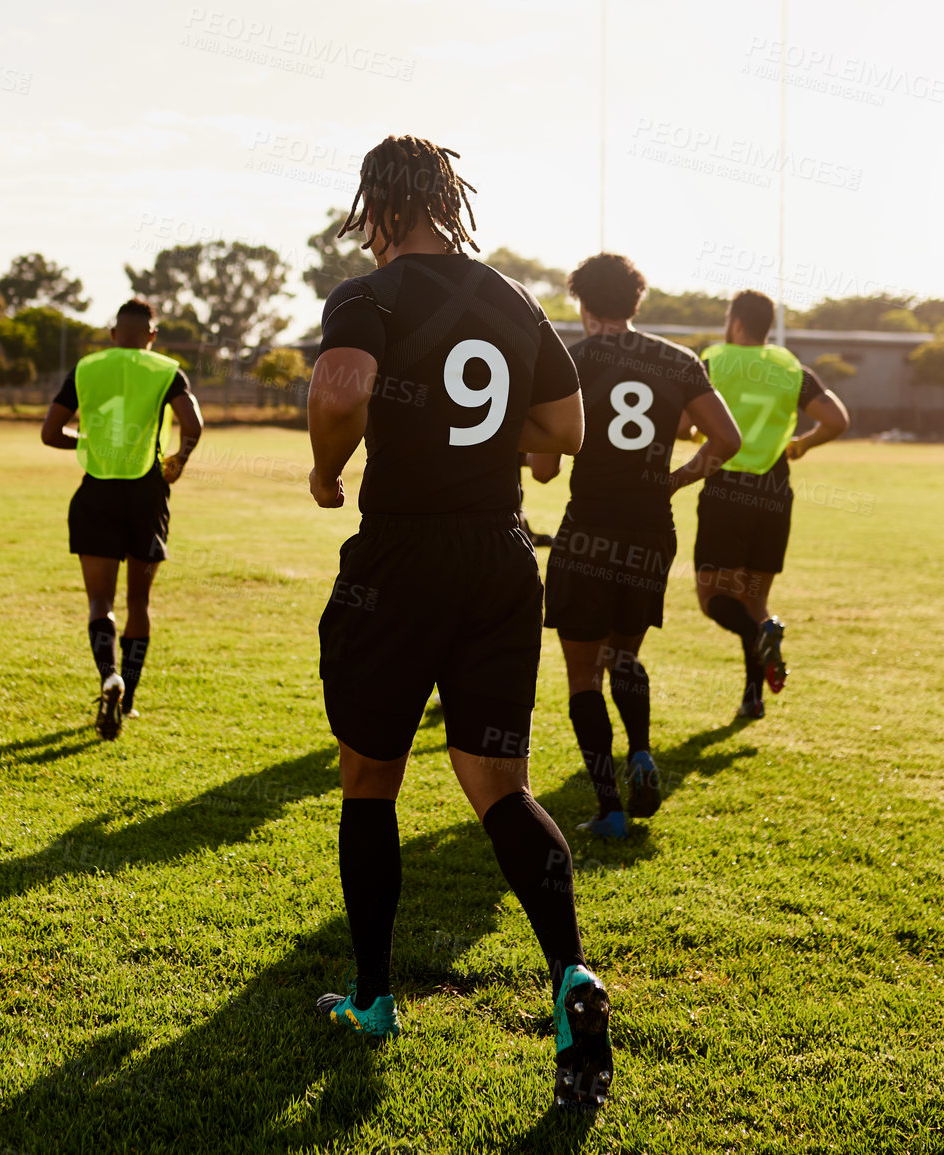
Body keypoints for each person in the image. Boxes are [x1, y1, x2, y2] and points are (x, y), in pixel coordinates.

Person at [304, 134, 611, 1110]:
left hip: (402, 557)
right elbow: (564, 433)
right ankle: (571, 977)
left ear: (376, 209)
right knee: (500, 786)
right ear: (449, 201)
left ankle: (375, 998)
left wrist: (327, 465)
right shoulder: (513, 298)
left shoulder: (372, 293)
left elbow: (343, 390)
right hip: (502, 555)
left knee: (370, 779)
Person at [528, 253, 742, 839]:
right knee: (624, 656)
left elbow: (544, 470)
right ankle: (642, 754)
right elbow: (727, 438)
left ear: (582, 303)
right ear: (636, 302)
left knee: (582, 677)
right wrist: (678, 477)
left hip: (589, 528)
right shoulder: (677, 360)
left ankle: (609, 809)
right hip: (652, 529)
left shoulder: (567, 362)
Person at [40, 298, 201, 740]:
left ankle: (109, 675)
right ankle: (127, 700)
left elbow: (50, 433)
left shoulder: (86, 368)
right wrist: (179, 461)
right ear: (151, 336)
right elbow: (193, 424)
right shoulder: (166, 369)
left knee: (100, 604)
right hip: (147, 495)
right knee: (139, 605)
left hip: (95, 495)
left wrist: (89, 443)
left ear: (113, 334)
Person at [693, 289, 850, 720]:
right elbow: (836, 419)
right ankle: (753, 697)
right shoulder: (790, 367)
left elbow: (686, 421)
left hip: (727, 486)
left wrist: (694, 433)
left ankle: (763, 635)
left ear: (737, 323)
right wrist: (802, 443)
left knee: (713, 598)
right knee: (755, 599)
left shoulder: (714, 361)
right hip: (775, 489)